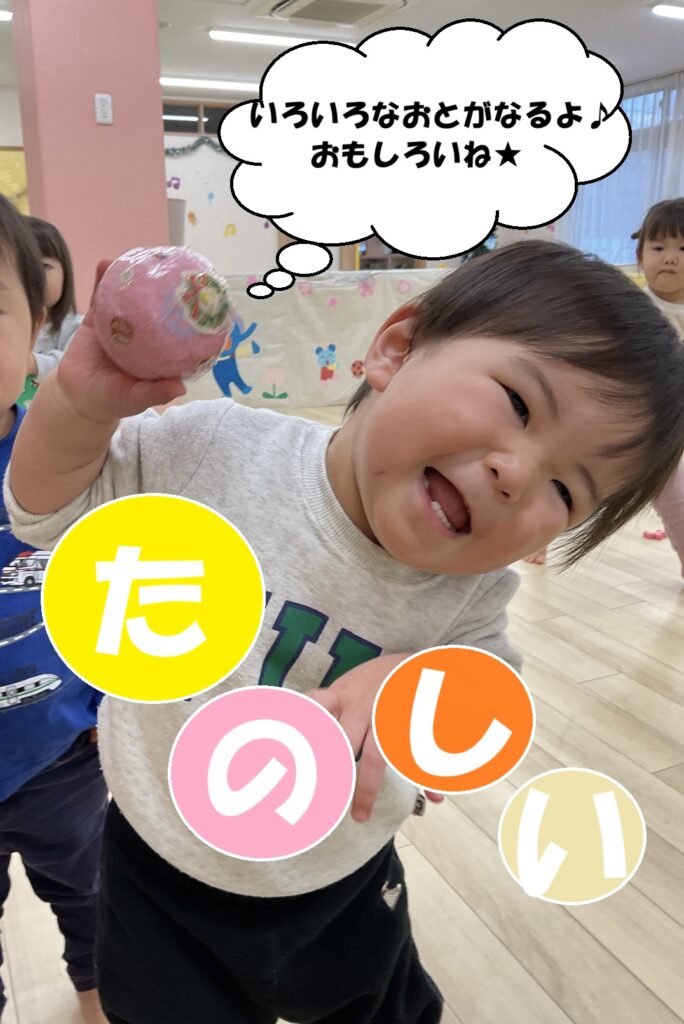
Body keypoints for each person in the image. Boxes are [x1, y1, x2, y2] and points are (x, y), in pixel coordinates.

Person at [6, 240, 684, 1024]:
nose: (518, 474)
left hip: (337, 879)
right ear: (397, 348)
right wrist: (80, 407)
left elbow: (486, 701)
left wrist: (413, 683)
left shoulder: (469, 594)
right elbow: (46, 512)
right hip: (158, 863)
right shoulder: (211, 450)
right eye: (520, 404)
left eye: (565, 491)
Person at [0, 195, 107, 1024]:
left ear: (37, 324)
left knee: (96, 900)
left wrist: (117, 700)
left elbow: (119, 583)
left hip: (63, 754)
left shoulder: (71, 461)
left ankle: (102, 996)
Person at [633, 198, 684, 576]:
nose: (670, 258)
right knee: (676, 496)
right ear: (640, 256)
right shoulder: (632, 308)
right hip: (651, 425)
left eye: (683, 249)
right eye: (658, 247)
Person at [24, 215, 83, 386]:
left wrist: (34, 364)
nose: (34, 276)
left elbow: (79, 367)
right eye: (22, 267)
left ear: (65, 274)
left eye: (45, 266)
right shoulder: (9, 327)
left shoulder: (76, 326)